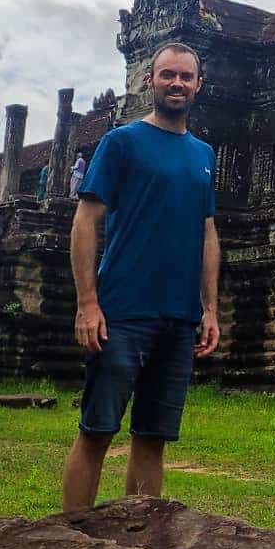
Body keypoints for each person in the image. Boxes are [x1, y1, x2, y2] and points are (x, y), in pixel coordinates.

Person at [60, 42, 221, 511]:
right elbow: (86, 221)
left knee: (153, 437)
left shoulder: (202, 154)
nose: (176, 84)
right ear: (149, 80)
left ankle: (139, 541)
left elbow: (207, 232)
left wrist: (209, 309)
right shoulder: (122, 142)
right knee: (97, 430)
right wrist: (87, 302)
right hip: (123, 311)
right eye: (167, 75)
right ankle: (73, 538)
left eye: (185, 77)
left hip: (179, 317)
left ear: (198, 85)